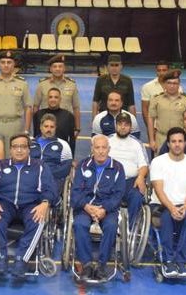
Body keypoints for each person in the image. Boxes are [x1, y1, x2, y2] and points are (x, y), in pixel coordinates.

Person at [0, 133, 56, 277]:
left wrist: (45, 203)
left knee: (39, 219)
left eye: (23, 147)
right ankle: (0, 258)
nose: (19, 150)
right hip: (6, 204)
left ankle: (21, 260)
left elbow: (50, 188)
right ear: (10, 149)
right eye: (15, 147)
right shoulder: (0, 165)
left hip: (30, 204)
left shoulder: (40, 166)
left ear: (29, 149)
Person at [71, 135, 126, 280]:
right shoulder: (83, 165)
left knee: (111, 226)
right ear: (92, 149)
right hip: (85, 207)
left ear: (109, 149)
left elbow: (118, 195)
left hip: (107, 209)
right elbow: (75, 192)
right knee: (79, 224)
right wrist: (86, 206)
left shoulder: (118, 168)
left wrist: (104, 209)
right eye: (97, 147)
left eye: (104, 148)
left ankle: (102, 265)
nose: (101, 151)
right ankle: (87, 264)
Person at [150, 127, 186, 275]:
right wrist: (172, 208)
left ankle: (181, 261)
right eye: (173, 141)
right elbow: (159, 190)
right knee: (166, 217)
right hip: (162, 205)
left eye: (180, 141)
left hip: (184, 205)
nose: (177, 144)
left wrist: (184, 207)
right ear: (168, 144)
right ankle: (168, 261)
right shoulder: (158, 162)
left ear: (185, 143)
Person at [0, 50, 32, 144]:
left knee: (14, 152)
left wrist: (26, 130)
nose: (6, 65)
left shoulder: (22, 83)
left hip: (15, 125)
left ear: (14, 64)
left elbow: (28, 107)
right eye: (3, 62)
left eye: (9, 62)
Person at [108, 113, 149, 222]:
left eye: (126, 124)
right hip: (110, 180)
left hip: (131, 182)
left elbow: (144, 165)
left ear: (130, 127)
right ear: (115, 125)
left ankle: (132, 227)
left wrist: (141, 177)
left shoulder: (137, 143)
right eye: (120, 124)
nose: (123, 127)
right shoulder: (107, 141)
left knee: (136, 196)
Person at [147, 70, 186, 152]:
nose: (172, 86)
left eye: (175, 83)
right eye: (169, 83)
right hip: (161, 138)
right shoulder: (156, 99)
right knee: (160, 160)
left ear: (179, 85)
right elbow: (151, 119)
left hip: (179, 139)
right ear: (164, 84)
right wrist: (151, 140)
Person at [30, 113, 73, 197]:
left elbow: (66, 168)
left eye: (52, 127)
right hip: (31, 178)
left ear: (55, 128)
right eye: (46, 126)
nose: (49, 129)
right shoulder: (30, 143)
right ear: (41, 127)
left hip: (53, 179)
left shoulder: (63, 144)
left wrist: (46, 174)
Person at [34, 54, 80, 122]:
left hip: (65, 122)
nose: (57, 69)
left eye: (60, 66)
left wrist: (77, 126)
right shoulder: (42, 85)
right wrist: (36, 124)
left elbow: (76, 108)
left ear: (64, 69)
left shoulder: (72, 85)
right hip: (47, 124)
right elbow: (36, 106)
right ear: (50, 69)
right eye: (55, 66)